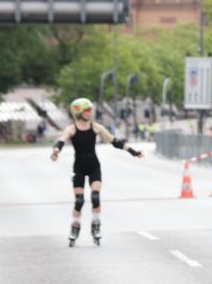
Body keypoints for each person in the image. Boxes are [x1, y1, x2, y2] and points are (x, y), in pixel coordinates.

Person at [50, 97, 143, 246]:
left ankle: (96, 226)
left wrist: (133, 151)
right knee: (79, 201)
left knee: (95, 197)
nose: (90, 112)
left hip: (94, 166)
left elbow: (115, 142)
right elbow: (61, 140)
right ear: (79, 112)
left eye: (90, 110)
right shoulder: (72, 128)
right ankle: (75, 227)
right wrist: (56, 151)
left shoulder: (95, 127)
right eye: (87, 110)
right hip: (79, 167)